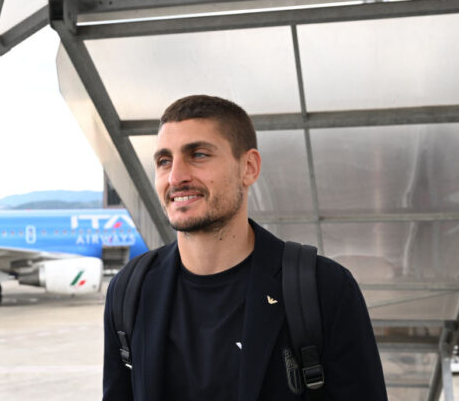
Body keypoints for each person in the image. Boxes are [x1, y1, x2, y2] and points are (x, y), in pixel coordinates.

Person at [103, 95, 388, 400]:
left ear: (249, 168)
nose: (176, 177)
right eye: (163, 161)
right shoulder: (130, 290)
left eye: (198, 155)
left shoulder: (323, 288)